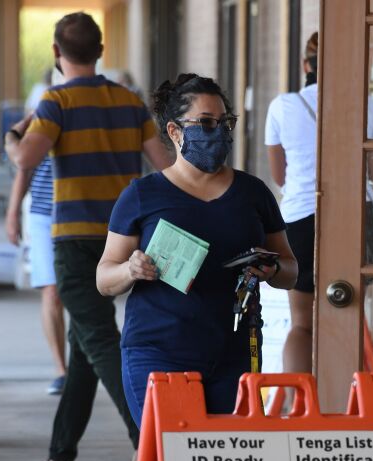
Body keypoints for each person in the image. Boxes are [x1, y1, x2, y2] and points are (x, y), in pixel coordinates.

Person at [4, 12, 172, 461]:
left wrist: (13, 134)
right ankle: (61, 454)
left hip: (75, 240)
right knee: (85, 344)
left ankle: (147, 442)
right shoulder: (129, 101)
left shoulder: (56, 103)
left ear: (58, 54)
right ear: (100, 52)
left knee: (99, 339)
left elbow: (25, 158)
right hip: (123, 237)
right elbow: (163, 165)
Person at [96, 74, 297, 426]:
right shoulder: (143, 196)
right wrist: (130, 269)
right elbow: (104, 277)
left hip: (234, 355)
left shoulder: (253, 193)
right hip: (158, 353)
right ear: (175, 132)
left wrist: (272, 270)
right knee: (170, 457)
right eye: (205, 123)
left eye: (224, 122)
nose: (218, 131)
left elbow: (291, 271)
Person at [265, 32, 373, 376]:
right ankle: (351, 406)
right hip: (355, 217)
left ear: (307, 65)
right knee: (350, 316)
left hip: (301, 219)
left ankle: (298, 406)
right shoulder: (367, 104)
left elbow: (280, 175)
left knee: (302, 324)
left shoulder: (283, 106)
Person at [5, 157, 67, 394]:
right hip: (44, 212)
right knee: (52, 291)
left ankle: (87, 368)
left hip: (87, 212)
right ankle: (61, 370)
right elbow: (24, 163)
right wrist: (13, 213)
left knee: (85, 295)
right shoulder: (41, 119)